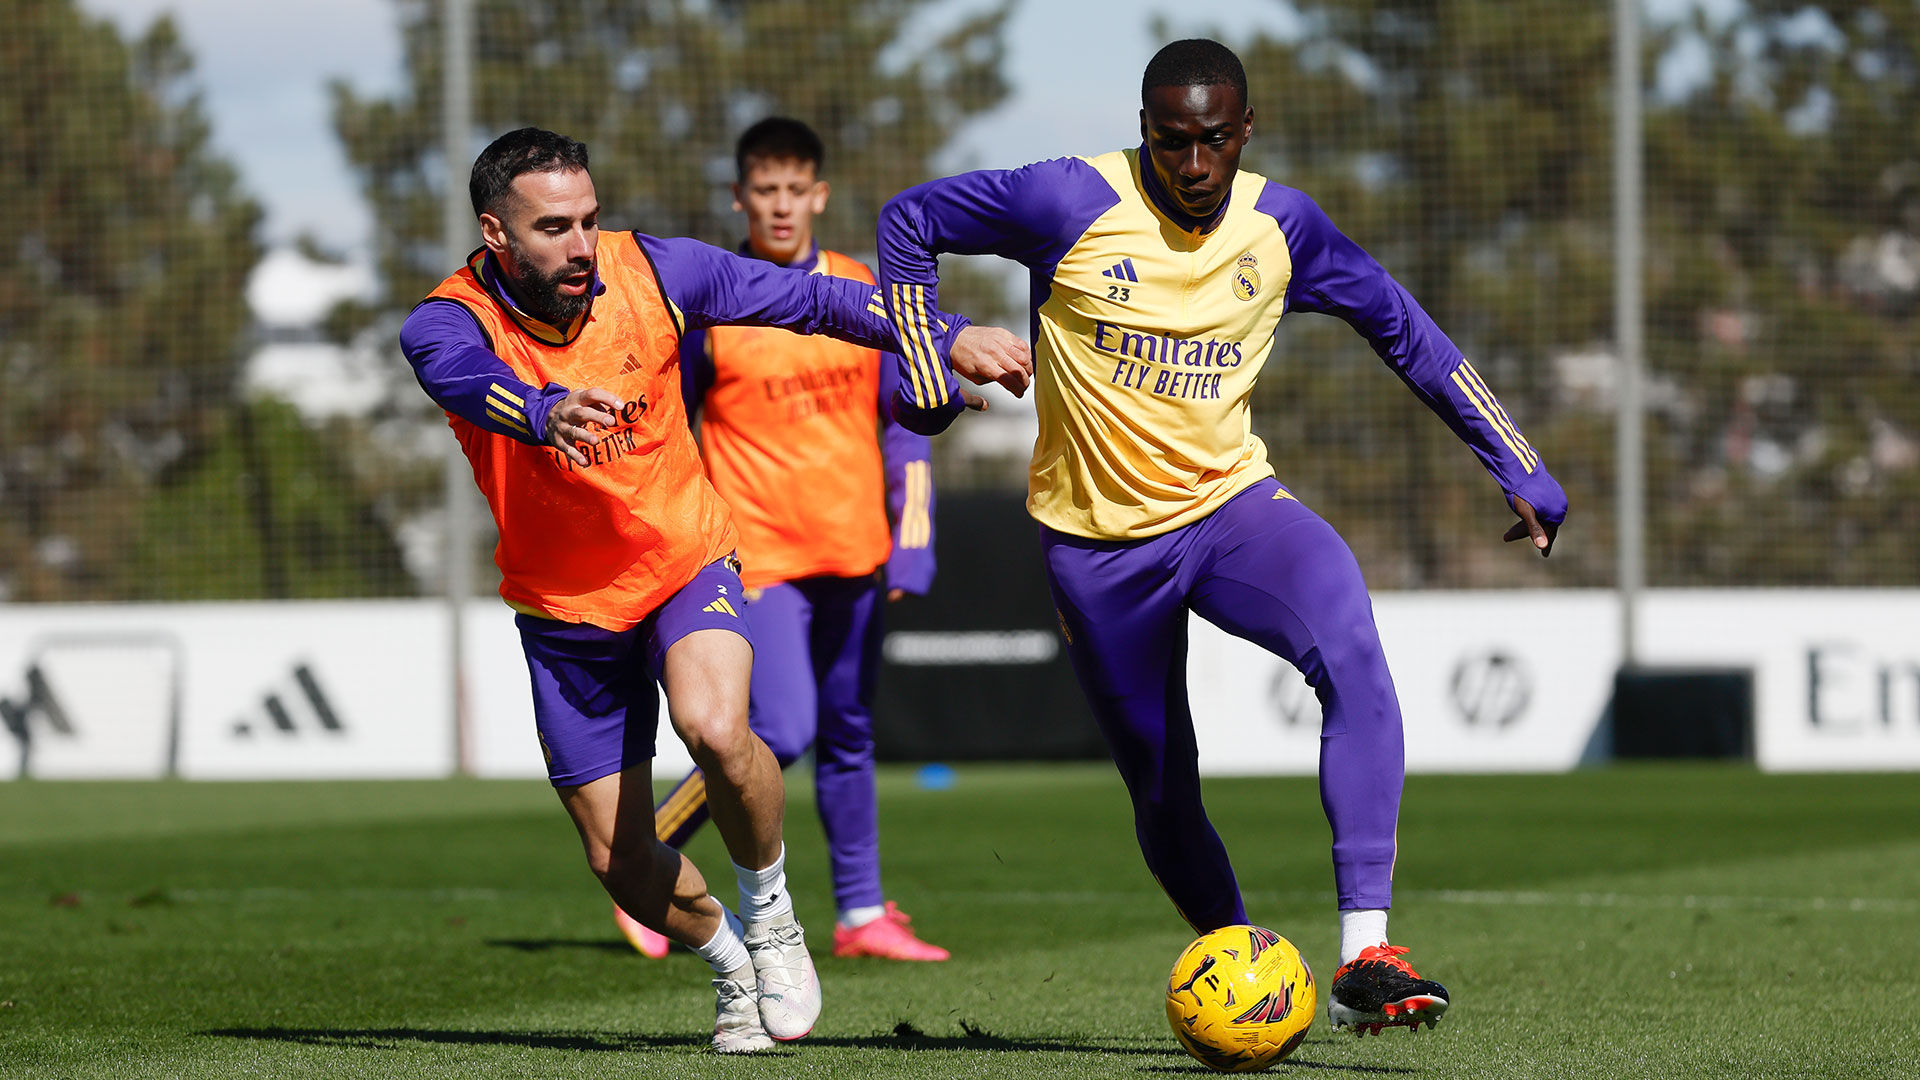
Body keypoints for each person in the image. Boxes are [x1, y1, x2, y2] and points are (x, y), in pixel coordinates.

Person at [874, 39, 1567, 1036]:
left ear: (1247, 131)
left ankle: (1365, 950)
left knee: (1351, 646)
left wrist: (1514, 458)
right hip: (1096, 552)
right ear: (1143, 129)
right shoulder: (1065, 201)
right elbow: (911, 219)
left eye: (1212, 143)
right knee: (1162, 790)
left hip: (1232, 514)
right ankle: (1249, 973)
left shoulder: (1283, 227)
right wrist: (929, 349)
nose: (1193, 167)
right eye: (1170, 142)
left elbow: (1402, 328)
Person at [399, 128, 985, 1052]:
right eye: (554, 227)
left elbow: (813, 298)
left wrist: (945, 335)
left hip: (685, 561)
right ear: (497, 232)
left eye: (590, 219)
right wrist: (546, 413)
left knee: (719, 727)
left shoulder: (657, 271)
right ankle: (732, 963)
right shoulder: (447, 318)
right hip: (563, 613)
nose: (583, 244)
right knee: (619, 860)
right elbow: (462, 380)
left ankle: (776, 914)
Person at [611, 117, 950, 964]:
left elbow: (904, 425)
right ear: (741, 198)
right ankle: (645, 861)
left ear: (819, 196)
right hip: (756, 558)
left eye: (796, 189)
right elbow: (670, 429)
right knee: (784, 732)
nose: (782, 205)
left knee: (850, 733)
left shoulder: (861, 286)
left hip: (858, 550)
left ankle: (863, 913)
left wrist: (913, 538)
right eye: (765, 190)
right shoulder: (712, 308)